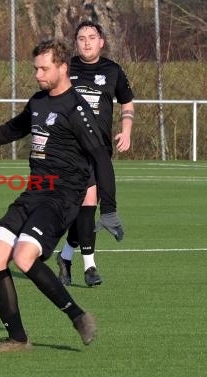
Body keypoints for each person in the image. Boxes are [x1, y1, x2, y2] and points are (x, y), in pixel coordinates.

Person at [0, 38, 121, 351]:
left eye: (44, 69)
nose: (38, 74)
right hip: (35, 192)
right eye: (35, 68)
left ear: (63, 68)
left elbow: (101, 158)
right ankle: (18, 338)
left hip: (62, 198)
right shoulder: (39, 101)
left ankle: (78, 316)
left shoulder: (78, 110)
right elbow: (12, 129)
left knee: (23, 256)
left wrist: (109, 208)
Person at [56, 20, 133, 287]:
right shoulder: (66, 68)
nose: (86, 42)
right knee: (86, 206)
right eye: (81, 38)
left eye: (92, 37)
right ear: (75, 43)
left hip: (99, 150)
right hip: (70, 149)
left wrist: (127, 129)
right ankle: (90, 267)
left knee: (86, 208)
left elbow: (127, 101)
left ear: (101, 41)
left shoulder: (113, 71)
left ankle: (66, 258)